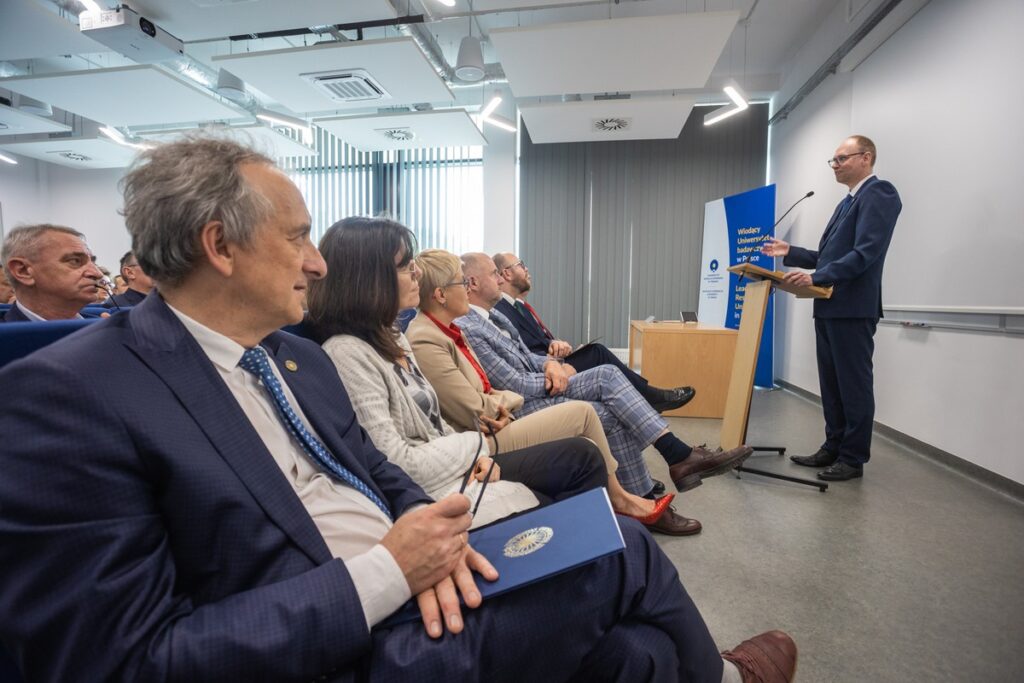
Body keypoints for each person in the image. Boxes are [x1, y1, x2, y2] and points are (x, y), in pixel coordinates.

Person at [0, 136, 797, 682]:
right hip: (342, 642)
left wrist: (437, 546)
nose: (318, 263)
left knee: (628, 646)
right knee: (620, 550)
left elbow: (381, 471)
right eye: (301, 236)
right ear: (221, 246)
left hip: (418, 585)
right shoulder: (70, 395)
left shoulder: (293, 356)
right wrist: (389, 573)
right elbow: (120, 661)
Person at [307, 216, 696, 535]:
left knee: (598, 422)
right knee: (595, 411)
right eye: (405, 267)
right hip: (461, 459)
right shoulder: (355, 351)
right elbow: (404, 457)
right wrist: (475, 446)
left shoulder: (392, 337)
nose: (415, 275)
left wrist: (484, 428)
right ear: (368, 279)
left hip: (470, 445)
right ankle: (643, 488)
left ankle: (635, 497)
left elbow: (438, 419)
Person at [409, 249, 753, 503]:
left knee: (608, 406)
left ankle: (644, 490)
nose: (499, 278)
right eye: (492, 274)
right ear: (457, 288)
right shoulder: (456, 329)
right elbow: (499, 390)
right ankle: (674, 457)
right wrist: (548, 377)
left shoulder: (483, 321)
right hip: (512, 411)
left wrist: (549, 364)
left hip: (525, 393)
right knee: (604, 376)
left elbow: (525, 356)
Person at [761, 135, 901, 482]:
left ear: (866, 157)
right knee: (832, 384)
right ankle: (833, 446)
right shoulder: (846, 203)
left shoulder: (880, 194)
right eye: (833, 161)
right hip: (828, 305)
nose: (835, 165)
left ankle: (853, 458)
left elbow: (864, 254)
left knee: (853, 386)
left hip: (853, 308)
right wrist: (790, 251)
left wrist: (816, 277)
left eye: (842, 158)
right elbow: (829, 256)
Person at [492, 250, 694, 412]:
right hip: (541, 373)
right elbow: (518, 352)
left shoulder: (519, 307)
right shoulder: (499, 310)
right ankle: (652, 396)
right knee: (597, 352)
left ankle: (650, 396)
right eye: (521, 265)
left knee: (595, 352)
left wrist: (557, 346)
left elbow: (539, 341)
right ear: (507, 273)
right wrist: (551, 358)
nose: (527, 269)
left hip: (550, 361)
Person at [0, 223, 105, 321]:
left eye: (93, 262)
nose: (97, 273)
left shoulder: (106, 326)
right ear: (23, 271)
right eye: (75, 261)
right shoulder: (6, 337)